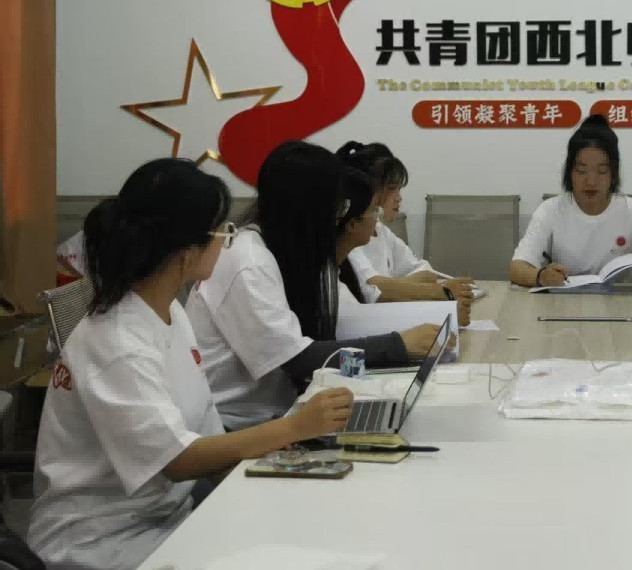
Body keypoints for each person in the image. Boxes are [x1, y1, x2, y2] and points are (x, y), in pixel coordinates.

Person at [27, 159, 353, 570]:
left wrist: (285, 468)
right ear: (185, 251)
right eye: (222, 231)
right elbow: (178, 461)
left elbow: (204, 435)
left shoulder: (169, 313)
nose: (227, 242)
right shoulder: (118, 342)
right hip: (101, 541)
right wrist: (294, 427)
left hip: (166, 515)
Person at [186, 141, 448, 430]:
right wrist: (398, 345)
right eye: (337, 207)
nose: (339, 219)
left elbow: (331, 331)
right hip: (238, 429)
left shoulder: (291, 253)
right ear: (309, 208)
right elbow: (297, 359)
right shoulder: (248, 261)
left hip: (287, 412)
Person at [510, 114, 632, 288]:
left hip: (619, 303)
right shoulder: (550, 210)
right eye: (581, 171)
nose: (591, 181)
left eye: (602, 171)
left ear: (613, 173)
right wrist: (541, 276)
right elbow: (517, 267)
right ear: (569, 172)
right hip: (563, 301)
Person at [336, 141, 475, 313]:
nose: (398, 198)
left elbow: (425, 272)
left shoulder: (381, 231)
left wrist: (397, 287)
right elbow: (374, 290)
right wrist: (439, 291)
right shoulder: (349, 239)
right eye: (391, 188)